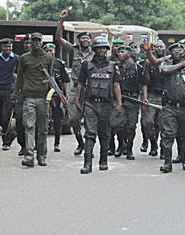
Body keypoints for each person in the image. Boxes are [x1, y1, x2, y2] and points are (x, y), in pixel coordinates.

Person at [76, 36, 122, 174]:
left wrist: (119, 103)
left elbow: (116, 85)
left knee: (105, 133)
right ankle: (87, 164)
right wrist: (77, 100)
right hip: (90, 103)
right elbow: (80, 84)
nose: (101, 50)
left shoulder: (113, 66)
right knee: (90, 133)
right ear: (94, 49)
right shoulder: (86, 65)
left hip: (106, 104)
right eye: (99, 48)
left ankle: (103, 161)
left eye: (103, 48)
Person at [156, 43, 185, 172]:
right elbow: (164, 71)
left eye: (180, 50)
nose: (177, 52)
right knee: (168, 134)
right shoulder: (167, 63)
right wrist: (182, 64)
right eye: (174, 50)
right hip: (170, 105)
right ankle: (167, 163)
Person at [56, 9, 94, 156]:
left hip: (91, 89)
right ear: (79, 40)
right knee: (72, 119)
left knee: (91, 121)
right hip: (75, 88)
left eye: (88, 38)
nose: (85, 40)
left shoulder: (95, 52)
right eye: (83, 38)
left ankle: (89, 146)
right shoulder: (74, 50)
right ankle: (80, 142)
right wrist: (61, 21)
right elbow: (59, 39)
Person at [13, 32, 53, 167]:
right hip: (29, 97)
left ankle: (41, 155)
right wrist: (15, 94)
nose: (36, 43)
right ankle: (29, 156)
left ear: (41, 42)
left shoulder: (48, 58)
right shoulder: (24, 58)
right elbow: (19, 78)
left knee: (42, 129)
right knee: (29, 127)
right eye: (34, 41)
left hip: (43, 98)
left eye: (38, 41)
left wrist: (47, 83)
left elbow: (52, 79)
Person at [111, 46, 143, 160]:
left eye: (122, 51)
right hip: (119, 99)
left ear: (129, 53)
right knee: (117, 125)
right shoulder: (115, 67)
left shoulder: (136, 67)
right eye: (118, 52)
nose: (119, 54)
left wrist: (143, 97)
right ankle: (121, 145)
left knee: (131, 127)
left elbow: (142, 84)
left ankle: (129, 149)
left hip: (132, 100)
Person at [0, 38, 19, 151]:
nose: (8, 49)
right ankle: (12, 133)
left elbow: (20, 74)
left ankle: (6, 142)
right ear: (2, 47)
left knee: (6, 116)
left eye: (10, 47)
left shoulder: (17, 58)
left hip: (10, 90)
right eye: (6, 47)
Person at [141, 40, 168, 158]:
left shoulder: (170, 61)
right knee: (148, 122)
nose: (159, 49)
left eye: (161, 47)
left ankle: (163, 148)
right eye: (157, 47)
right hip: (152, 95)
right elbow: (145, 82)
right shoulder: (148, 63)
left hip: (165, 97)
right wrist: (145, 97)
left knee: (163, 125)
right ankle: (153, 143)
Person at [46, 43, 70, 153]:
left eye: (51, 50)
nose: (49, 52)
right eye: (47, 50)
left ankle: (57, 143)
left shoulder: (59, 64)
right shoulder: (41, 62)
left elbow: (65, 80)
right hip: (42, 93)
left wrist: (66, 94)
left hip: (56, 94)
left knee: (58, 120)